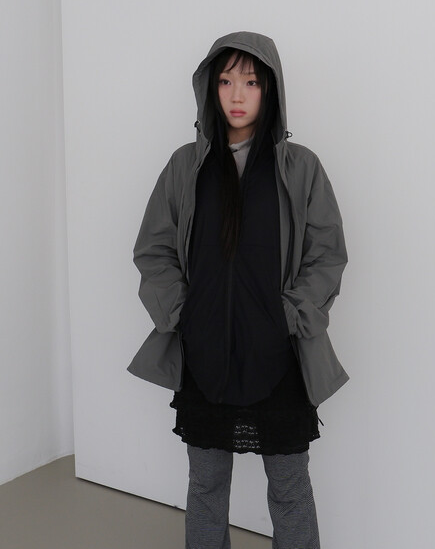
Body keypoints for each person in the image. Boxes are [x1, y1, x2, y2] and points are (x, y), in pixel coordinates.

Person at [129, 31, 348, 549]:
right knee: (206, 487)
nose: (236, 95)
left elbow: (326, 255)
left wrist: (289, 317)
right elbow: (153, 250)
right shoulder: (186, 166)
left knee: (290, 489)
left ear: (270, 89)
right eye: (226, 81)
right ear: (211, 87)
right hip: (205, 356)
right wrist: (185, 314)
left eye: (250, 82)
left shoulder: (301, 167)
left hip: (278, 356)